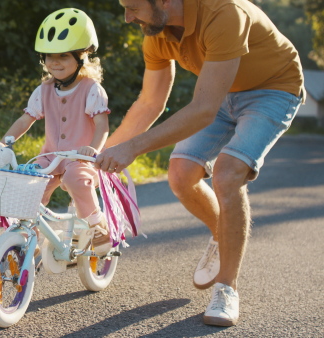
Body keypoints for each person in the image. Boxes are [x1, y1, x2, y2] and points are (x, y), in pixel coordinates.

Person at [95, 0, 304, 326]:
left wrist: (132, 149)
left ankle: (226, 288)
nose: (127, 17)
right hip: (223, 93)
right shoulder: (156, 32)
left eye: (133, 7)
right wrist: (102, 154)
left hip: (273, 89)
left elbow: (204, 108)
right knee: (180, 174)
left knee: (227, 173)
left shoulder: (223, 12)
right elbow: (149, 102)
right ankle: (223, 235)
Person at [0, 8, 112, 255]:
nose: (55, 62)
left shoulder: (91, 89)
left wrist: (92, 149)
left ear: (81, 57)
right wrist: (4, 143)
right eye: (49, 56)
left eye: (63, 56)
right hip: (50, 155)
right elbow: (25, 119)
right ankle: (30, 235)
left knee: (76, 181)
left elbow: (102, 125)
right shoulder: (44, 89)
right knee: (31, 185)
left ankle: (97, 225)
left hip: (80, 157)